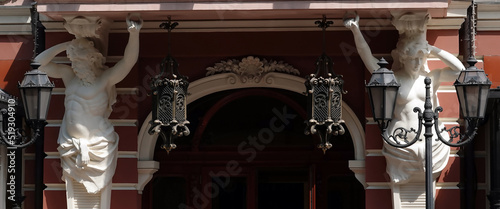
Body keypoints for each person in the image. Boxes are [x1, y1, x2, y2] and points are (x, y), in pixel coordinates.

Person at [344, 12, 465, 184]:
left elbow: (460, 71)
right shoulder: (393, 79)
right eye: (412, 59)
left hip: (432, 142)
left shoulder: (430, 78)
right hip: (399, 143)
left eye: (420, 59)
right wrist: (356, 30)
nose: (417, 64)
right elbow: (367, 58)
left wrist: (432, 49)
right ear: (402, 58)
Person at [34, 15, 142, 207]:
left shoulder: (105, 80)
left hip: (97, 146)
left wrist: (134, 33)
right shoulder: (69, 77)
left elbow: (128, 62)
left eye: (79, 56)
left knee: (96, 196)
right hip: (71, 146)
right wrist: (66, 44)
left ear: (93, 57)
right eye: (72, 57)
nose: (74, 61)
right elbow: (37, 64)